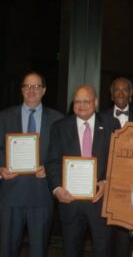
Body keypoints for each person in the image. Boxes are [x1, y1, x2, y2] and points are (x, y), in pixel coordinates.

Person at [46, 85, 119, 257]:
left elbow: (118, 160)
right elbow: (52, 162)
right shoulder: (59, 127)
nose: (81, 105)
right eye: (77, 101)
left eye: (86, 101)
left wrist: (107, 183)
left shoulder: (111, 124)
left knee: (103, 251)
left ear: (96, 102)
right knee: (71, 251)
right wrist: (57, 189)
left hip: (100, 202)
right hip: (70, 201)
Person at [0, 71, 63, 257]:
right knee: (6, 250)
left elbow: (63, 154)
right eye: (27, 86)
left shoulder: (58, 120)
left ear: (44, 90)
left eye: (36, 86)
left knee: (39, 251)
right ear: (21, 90)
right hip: (10, 195)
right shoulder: (3, 117)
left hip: (41, 195)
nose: (31, 90)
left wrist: (51, 171)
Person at [101, 77, 133, 257]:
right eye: (117, 90)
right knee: (108, 238)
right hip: (108, 186)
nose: (121, 94)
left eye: (125, 90)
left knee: (131, 235)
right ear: (111, 95)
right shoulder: (100, 118)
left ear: (131, 94)